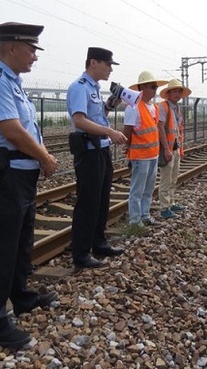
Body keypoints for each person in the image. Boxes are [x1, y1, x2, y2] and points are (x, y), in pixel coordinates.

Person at [0, 22, 59, 348]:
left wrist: (38, 159)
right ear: (11, 47)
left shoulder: (14, 82)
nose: (35, 56)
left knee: (21, 243)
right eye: (31, 49)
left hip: (21, 173)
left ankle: (20, 295)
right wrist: (46, 158)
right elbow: (12, 130)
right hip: (4, 176)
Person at [66, 47, 128, 269]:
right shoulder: (79, 88)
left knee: (101, 199)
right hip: (89, 150)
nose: (110, 69)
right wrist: (110, 132)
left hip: (100, 149)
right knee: (88, 202)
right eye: (108, 64)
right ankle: (81, 254)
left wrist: (109, 106)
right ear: (94, 63)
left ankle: (99, 243)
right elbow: (80, 120)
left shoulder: (93, 88)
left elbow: (97, 116)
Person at [122, 71, 169, 227]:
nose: (155, 90)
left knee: (148, 189)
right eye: (152, 87)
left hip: (153, 155)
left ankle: (145, 215)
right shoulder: (133, 107)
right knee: (137, 190)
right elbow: (127, 131)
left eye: (155, 87)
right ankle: (135, 220)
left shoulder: (153, 107)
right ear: (142, 88)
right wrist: (127, 147)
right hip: (140, 155)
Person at [157, 78, 191, 219]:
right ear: (168, 93)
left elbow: (178, 130)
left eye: (179, 91)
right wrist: (166, 149)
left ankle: (170, 203)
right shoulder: (163, 107)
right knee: (166, 179)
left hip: (175, 148)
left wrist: (180, 149)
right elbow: (160, 127)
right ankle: (164, 208)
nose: (177, 94)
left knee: (173, 178)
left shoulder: (177, 109)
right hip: (168, 148)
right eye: (174, 91)